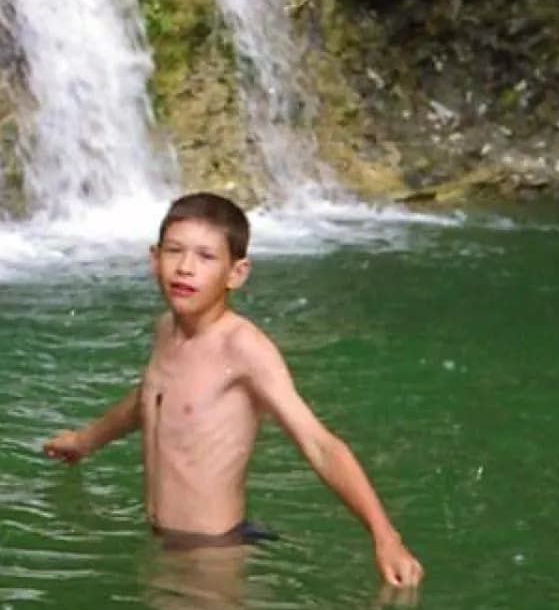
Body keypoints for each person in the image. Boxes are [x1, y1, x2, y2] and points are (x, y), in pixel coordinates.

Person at [42, 192, 424, 589]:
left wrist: (385, 537)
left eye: (206, 257)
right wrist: (85, 440)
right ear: (154, 258)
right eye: (175, 251)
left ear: (236, 273)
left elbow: (319, 444)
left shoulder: (242, 348)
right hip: (163, 542)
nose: (186, 268)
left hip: (211, 553)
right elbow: (149, 400)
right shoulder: (166, 330)